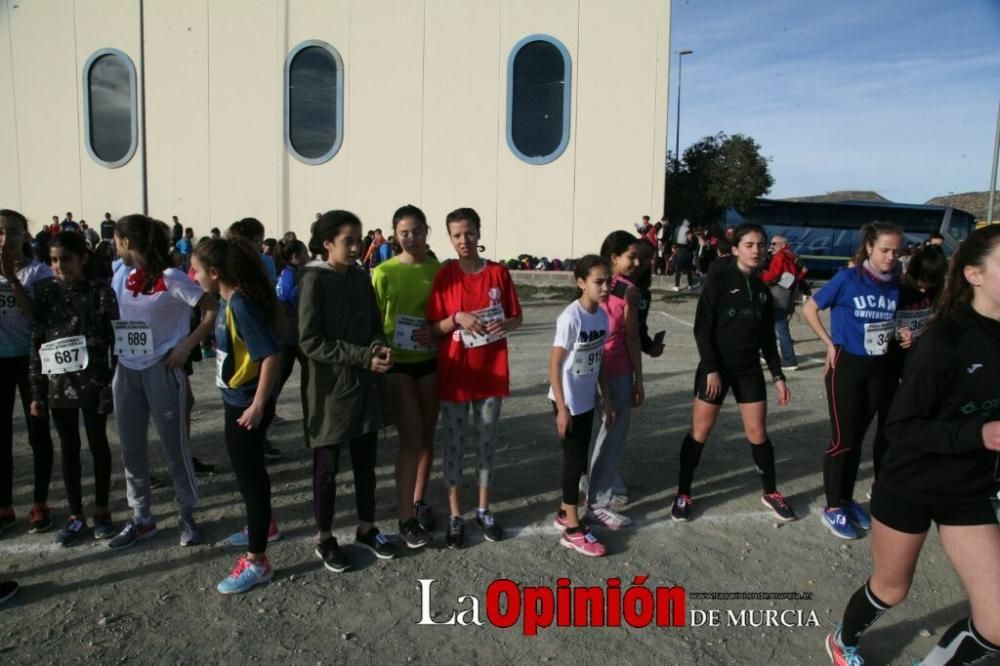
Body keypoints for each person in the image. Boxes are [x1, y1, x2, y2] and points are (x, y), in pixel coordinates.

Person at [825, 225, 1000, 666]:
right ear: (975, 276)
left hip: (969, 489)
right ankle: (842, 639)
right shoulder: (944, 341)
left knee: (998, 623)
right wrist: (977, 434)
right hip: (911, 482)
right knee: (891, 587)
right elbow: (900, 428)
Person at [670, 223, 796, 523]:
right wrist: (711, 368)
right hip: (716, 368)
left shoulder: (764, 292)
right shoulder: (719, 280)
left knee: (758, 433)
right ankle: (683, 492)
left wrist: (778, 377)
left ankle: (770, 491)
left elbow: (767, 339)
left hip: (748, 369)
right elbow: (702, 328)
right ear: (736, 248)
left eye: (761, 245)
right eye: (750, 245)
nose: (756, 250)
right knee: (700, 431)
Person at [108, 214, 218, 550]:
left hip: (162, 368)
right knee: (131, 447)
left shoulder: (171, 277)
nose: (114, 245)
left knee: (174, 448)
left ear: (126, 241)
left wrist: (186, 345)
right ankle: (142, 518)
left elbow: (211, 307)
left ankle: (187, 514)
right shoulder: (121, 273)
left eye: (116, 239)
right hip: (127, 369)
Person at [300, 210, 398, 572]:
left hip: (365, 385)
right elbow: (310, 341)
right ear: (327, 244)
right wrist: (362, 356)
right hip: (330, 392)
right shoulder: (313, 280)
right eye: (348, 241)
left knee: (365, 463)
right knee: (327, 467)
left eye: (360, 239)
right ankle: (324, 537)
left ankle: (367, 527)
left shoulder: (360, 276)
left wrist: (378, 347)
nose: (357, 247)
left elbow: (375, 324)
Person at [801, 222, 905, 540]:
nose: (890, 257)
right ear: (870, 248)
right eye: (885, 250)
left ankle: (846, 500)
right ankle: (832, 508)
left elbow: (894, 321)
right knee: (842, 440)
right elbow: (810, 308)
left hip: (879, 367)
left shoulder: (896, 284)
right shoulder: (848, 278)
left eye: (896, 252)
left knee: (858, 438)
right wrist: (829, 343)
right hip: (846, 366)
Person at [427, 207, 523, 549]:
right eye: (456, 235)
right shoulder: (445, 275)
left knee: (485, 445)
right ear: (449, 238)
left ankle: (483, 510)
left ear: (479, 234)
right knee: (453, 447)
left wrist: (505, 325)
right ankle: (456, 515)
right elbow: (433, 328)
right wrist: (456, 318)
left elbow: (516, 317)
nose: (463, 240)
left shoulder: (498, 273)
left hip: (490, 375)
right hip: (456, 376)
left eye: (468, 233)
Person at [190, 238, 282, 594]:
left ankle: (258, 561)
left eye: (196, 270)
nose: (192, 275)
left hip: (246, 404)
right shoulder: (230, 300)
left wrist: (258, 405)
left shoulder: (240, 304)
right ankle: (266, 525)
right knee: (250, 473)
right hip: (238, 399)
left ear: (215, 273)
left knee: (250, 476)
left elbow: (270, 356)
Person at [29, 232, 118, 546]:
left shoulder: (101, 293)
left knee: (97, 444)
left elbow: (115, 343)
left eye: (65, 259)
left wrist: (110, 385)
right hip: (58, 385)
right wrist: (37, 392)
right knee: (68, 449)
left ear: (83, 258)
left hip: (93, 382)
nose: (58, 266)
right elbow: (37, 343)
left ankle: (103, 510)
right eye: (53, 260)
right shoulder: (44, 293)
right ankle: (75, 515)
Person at [371, 205, 441, 549]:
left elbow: (445, 316)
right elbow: (372, 319)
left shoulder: (438, 270)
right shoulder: (383, 272)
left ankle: (418, 501)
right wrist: (378, 351)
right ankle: (404, 518)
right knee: (411, 437)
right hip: (397, 362)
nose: (411, 238)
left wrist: (436, 331)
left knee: (427, 436)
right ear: (394, 235)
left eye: (417, 231)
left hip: (430, 361)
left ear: (428, 231)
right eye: (404, 232)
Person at [549, 255, 613, 557]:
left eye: (608, 281)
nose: (605, 287)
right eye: (598, 282)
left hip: (587, 400)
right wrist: (562, 408)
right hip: (569, 401)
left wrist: (606, 398)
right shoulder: (570, 317)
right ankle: (573, 530)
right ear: (581, 282)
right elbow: (555, 364)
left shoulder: (601, 316)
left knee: (580, 460)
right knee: (574, 463)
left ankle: (565, 511)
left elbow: (598, 361)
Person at [0, 209, 55, 535]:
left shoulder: (39, 272)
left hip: (31, 362)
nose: (5, 239)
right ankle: (4, 504)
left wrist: (12, 279)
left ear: (25, 236)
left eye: (13, 232)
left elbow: (38, 316)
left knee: (38, 432)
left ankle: (40, 502)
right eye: (0, 232)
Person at [584, 231, 643, 530]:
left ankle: (592, 485)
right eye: (631, 256)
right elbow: (630, 337)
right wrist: (638, 379)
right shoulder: (629, 291)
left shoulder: (590, 285)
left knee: (596, 431)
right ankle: (598, 499)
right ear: (613, 258)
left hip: (589, 368)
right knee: (612, 433)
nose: (637, 262)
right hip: (613, 368)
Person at [272, 239, 309, 421]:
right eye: (305, 253)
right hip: (290, 334)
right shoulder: (291, 275)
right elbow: (292, 300)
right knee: (279, 377)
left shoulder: (287, 273)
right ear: (295, 257)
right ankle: (266, 412)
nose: (308, 257)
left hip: (291, 333)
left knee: (308, 375)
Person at [761, 235, 807, 371]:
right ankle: (765, 353)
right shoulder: (792, 254)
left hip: (778, 296)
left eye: (774, 243)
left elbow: (773, 274)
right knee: (772, 326)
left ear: (782, 244)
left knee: (780, 328)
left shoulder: (781, 256)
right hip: (788, 295)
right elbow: (803, 271)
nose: (771, 246)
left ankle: (789, 359)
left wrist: (760, 276)